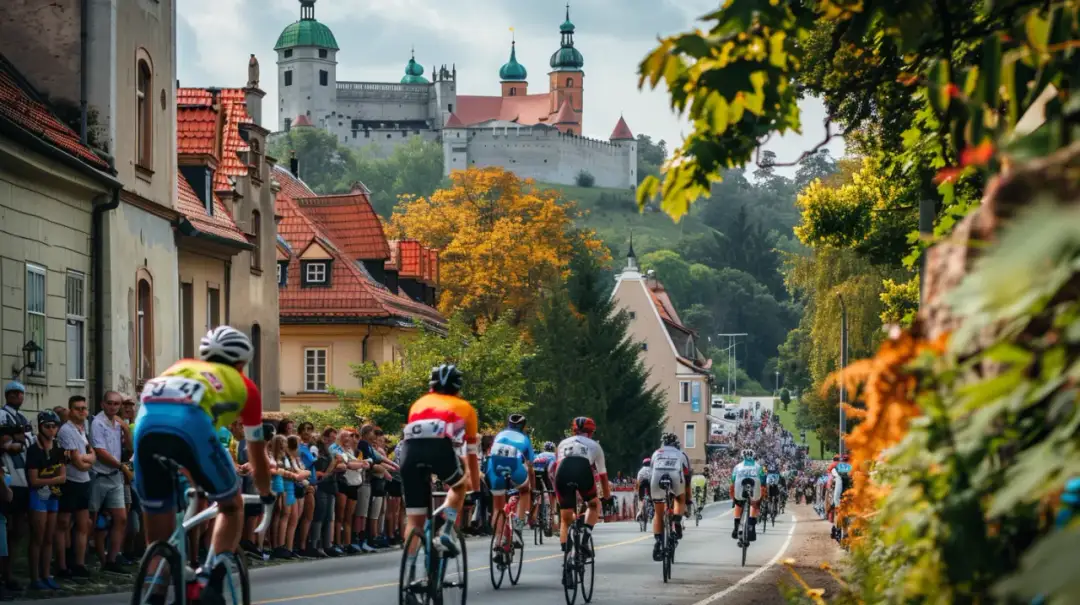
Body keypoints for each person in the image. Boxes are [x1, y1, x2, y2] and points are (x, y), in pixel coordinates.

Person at [134, 326, 273, 605]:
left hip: (144, 432)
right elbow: (257, 456)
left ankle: (154, 594)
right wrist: (266, 493)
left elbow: (166, 419)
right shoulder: (246, 387)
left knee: (158, 543)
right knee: (232, 504)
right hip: (191, 429)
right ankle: (212, 580)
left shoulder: (179, 366)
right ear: (242, 362)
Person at [399, 364, 479, 559]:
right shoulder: (466, 408)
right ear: (458, 389)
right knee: (459, 487)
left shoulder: (417, 404)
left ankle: (409, 569)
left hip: (409, 452)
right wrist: (474, 486)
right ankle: (446, 530)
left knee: (415, 520)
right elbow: (471, 454)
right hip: (439, 449)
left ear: (431, 387)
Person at [553, 417, 612, 559]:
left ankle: (566, 554)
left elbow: (557, 465)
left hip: (562, 473)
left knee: (565, 518)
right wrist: (606, 496)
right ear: (591, 432)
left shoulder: (562, 443)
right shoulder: (595, 446)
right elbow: (603, 475)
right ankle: (585, 539)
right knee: (593, 504)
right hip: (583, 472)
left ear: (573, 430)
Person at [56, 395, 95, 581]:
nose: (82, 411)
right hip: (70, 481)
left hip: (84, 481)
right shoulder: (66, 430)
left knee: (82, 523)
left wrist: (86, 461)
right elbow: (77, 462)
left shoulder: (83, 428)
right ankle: (62, 565)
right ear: (70, 410)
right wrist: (87, 461)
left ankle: (79, 564)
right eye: (78, 408)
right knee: (63, 523)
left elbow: (90, 454)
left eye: (84, 408)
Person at [486, 413, 533, 560]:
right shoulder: (525, 439)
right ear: (523, 427)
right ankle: (518, 527)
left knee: (497, 507)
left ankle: (497, 540)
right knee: (525, 490)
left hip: (494, 468)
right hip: (514, 467)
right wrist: (532, 486)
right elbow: (530, 466)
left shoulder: (499, 435)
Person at [26, 410, 65, 590]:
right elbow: (33, 481)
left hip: (53, 495)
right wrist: (53, 479)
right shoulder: (34, 450)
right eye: (47, 426)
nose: (51, 430)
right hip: (38, 496)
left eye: (54, 426)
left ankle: (46, 573)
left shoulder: (58, 449)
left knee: (49, 537)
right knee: (38, 537)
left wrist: (49, 480)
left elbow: (63, 476)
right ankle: (35, 577)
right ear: (40, 427)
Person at [0, 381, 32, 594]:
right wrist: (16, 442)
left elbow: (28, 441)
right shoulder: (2, 415)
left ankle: (8, 573)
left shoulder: (22, 418)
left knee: (18, 529)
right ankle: (5, 575)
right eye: (13, 394)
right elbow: (4, 444)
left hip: (22, 477)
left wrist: (17, 442)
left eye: (20, 394)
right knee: (6, 528)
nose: (17, 397)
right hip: (8, 475)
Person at [649, 433, 690, 561]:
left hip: (657, 478)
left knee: (658, 512)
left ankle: (658, 542)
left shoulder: (656, 453)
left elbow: (651, 472)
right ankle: (677, 520)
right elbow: (687, 479)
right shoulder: (681, 454)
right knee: (679, 498)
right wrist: (687, 500)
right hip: (675, 477)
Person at [730, 449, 765, 541]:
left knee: (738, 504)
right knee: (755, 503)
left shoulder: (737, 466)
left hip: (740, 488)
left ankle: (736, 527)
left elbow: (733, 479)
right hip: (755, 488)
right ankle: (751, 527)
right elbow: (763, 479)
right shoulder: (758, 466)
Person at [531, 442, 556, 529]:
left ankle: (534, 516)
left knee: (538, 494)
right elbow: (552, 469)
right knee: (552, 493)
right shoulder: (554, 455)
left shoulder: (539, 455)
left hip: (536, 471)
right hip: (547, 470)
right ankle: (552, 514)